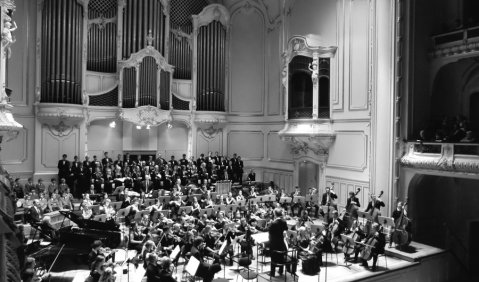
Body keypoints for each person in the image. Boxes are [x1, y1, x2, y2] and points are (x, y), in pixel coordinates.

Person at [269, 208, 297, 277]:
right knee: (281, 255)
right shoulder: (284, 222)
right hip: (281, 243)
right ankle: (281, 271)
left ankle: (272, 273)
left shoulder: (273, 223)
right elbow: (286, 230)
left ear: (275, 214)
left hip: (274, 244)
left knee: (273, 258)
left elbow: (270, 234)